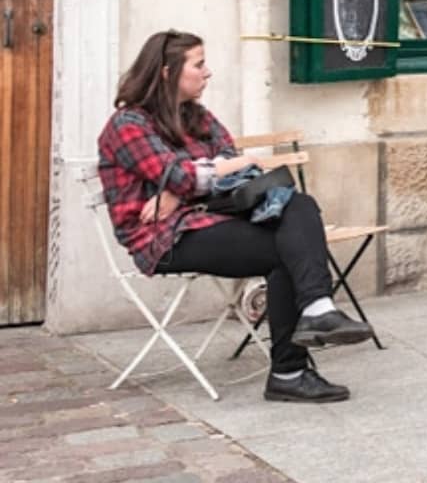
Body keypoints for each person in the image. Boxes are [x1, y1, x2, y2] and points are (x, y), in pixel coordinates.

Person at [97, 31, 373, 404]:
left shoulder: (195, 116)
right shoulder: (128, 125)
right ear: (166, 72)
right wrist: (198, 178)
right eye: (198, 64)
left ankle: (316, 314)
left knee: (300, 205)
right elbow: (203, 171)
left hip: (210, 217)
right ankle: (292, 366)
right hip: (164, 239)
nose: (207, 73)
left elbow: (221, 168)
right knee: (286, 250)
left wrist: (183, 189)